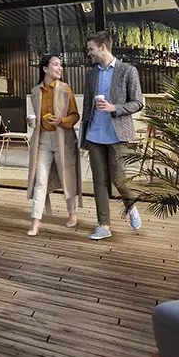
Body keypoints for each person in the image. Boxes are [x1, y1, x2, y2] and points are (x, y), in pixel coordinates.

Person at [79, 30, 145, 240]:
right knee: (99, 181)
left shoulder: (127, 71)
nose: (89, 53)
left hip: (117, 135)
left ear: (102, 47)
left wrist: (113, 107)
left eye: (91, 49)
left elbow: (137, 102)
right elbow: (88, 105)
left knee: (119, 179)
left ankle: (131, 206)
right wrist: (84, 138)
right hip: (95, 135)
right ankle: (103, 225)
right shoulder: (91, 74)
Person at [25, 54, 81, 236]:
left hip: (62, 139)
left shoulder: (66, 89)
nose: (60, 68)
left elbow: (75, 116)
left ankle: (72, 214)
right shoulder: (35, 92)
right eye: (56, 64)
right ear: (44, 69)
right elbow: (35, 116)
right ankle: (36, 222)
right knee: (40, 180)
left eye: (60, 65)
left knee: (67, 177)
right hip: (42, 141)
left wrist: (62, 120)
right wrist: (31, 120)